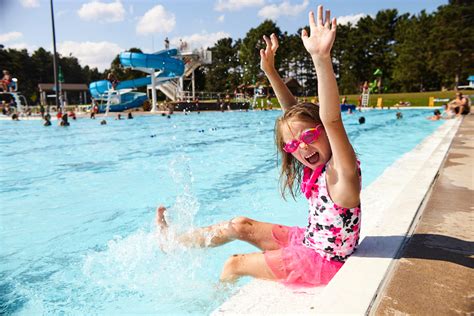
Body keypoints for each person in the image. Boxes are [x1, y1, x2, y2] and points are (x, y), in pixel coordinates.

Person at [156, 5, 361, 287]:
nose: (302, 149)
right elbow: (295, 118)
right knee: (239, 224)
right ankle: (173, 241)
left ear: (325, 132)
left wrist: (321, 58)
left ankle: (212, 301)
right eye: (293, 146)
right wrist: (270, 72)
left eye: (310, 138)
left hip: (324, 263)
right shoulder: (317, 160)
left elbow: (331, 118)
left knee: (234, 263)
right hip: (309, 240)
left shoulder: (342, 173)